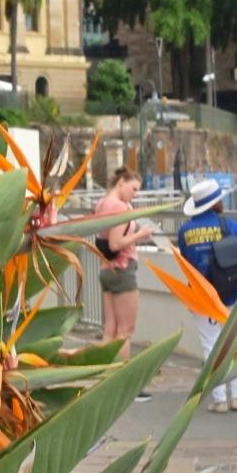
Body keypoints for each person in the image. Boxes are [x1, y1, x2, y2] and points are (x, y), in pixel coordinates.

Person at [176, 177, 237, 413]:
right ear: (216, 202)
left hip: (201, 296)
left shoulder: (185, 230)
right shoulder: (228, 225)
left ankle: (219, 399)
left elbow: (185, 260)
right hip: (232, 293)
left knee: (211, 346)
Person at [90, 167, 157, 392]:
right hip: (122, 268)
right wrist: (141, 234)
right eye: (133, 188)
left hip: (105, 270)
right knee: (125, 331)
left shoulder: (102, 203)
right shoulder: (118, 207)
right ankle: (123, 385)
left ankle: (105, 379)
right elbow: (116, 244)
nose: (134, 194)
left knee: (110, 329)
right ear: (121, 181)